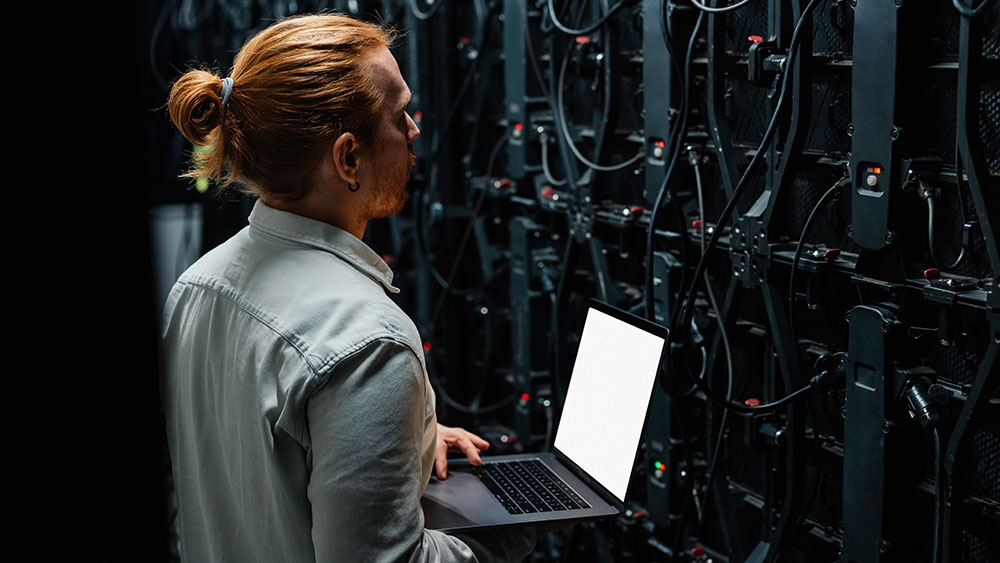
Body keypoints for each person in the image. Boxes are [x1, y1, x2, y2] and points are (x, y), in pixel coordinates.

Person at [161, 14, 535, 562]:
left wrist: (411, 438)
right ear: (348, 158)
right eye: (399, 114)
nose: (414, 130)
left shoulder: (195, 288)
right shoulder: (368, 343)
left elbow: (263, 463)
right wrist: (503, 537)